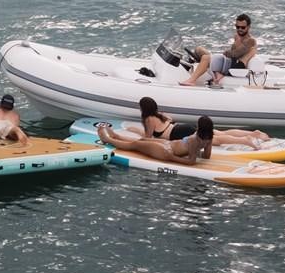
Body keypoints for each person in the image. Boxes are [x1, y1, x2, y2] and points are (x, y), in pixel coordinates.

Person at [135, 96, 269, 147]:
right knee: (219, 133)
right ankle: (254, 133)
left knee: (216, 140)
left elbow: (148, 138)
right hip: (182, 127)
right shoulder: (160, 115)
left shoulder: (148, 119)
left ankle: (245, 140)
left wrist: (136, 133)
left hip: (179, 134)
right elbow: (170, 120)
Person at [97, 115, 214, 165]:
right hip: (169, 144)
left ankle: (107, 139)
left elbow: (191, 162)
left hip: (166, 150)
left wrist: (171, 157)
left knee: (136, 144)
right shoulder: (209, 138)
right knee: (142, 140)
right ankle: (117, 136)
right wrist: (195, 151)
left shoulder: (195, 140)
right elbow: (207, 156)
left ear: (200, 127)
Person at [180, 13, 258, 86]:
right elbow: (232, 53)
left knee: (205, 58)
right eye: (237, 27)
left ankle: (192, 80)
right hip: (227, 61)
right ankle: (197, 66)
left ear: (248, 27)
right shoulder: (237, 36)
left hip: (234, 66)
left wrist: (227, 53)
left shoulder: (250, 41)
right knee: (199, 49)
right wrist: (227, 54)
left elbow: (236, 54)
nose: (240, 29)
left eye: (243, 27)